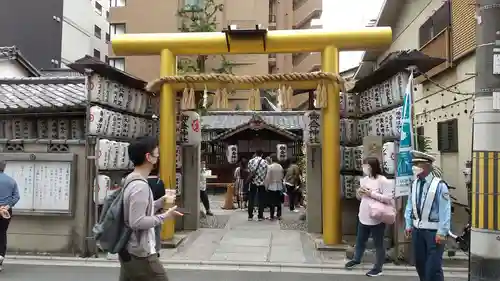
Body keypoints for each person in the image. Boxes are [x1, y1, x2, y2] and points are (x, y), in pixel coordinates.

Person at [119, 136, 183, 281]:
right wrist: (164, 217)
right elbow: (137, 221)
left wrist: (160, 203)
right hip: (141, 254)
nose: (158, 154)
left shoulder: (131, 179)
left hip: (129, 250)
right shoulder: (140, 186)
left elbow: (136, 211)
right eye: (156, 151)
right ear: (149, 157)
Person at [404, 150, 450, 281]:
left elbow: (445, 210)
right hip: (417, 230)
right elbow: (409, 206)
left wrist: (442, 231)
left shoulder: (439, 185)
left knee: (433, 268)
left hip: (433, 232)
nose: (414, 167)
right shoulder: (414, 184)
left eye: (418, 164)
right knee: (420, 265)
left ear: (427, 166)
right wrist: (408, 225)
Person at [345, 156, 394, 277]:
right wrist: (359, 193)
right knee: (360, 240)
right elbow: (360, 198)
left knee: (379, 243)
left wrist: (371, 193)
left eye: (367, 165)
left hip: (377, 217)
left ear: (373, 166)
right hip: (363, 215)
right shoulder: (364, 179)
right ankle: (356, 259)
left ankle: (378, 267)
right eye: (364, 165)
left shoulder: (382, 180)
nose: (364, 168)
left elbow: (388, 199)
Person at [0, 160, 20, 272]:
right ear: (4, 168)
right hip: (6, 211)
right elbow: (16, 197)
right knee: (2, 233)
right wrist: (6, 207)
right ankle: (1, 256)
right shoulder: (11, 181)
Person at [147, 167, 166, 256]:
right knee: (157, 231)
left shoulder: (143, 182)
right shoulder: (159, 182)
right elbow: (163, 198)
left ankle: (148, 248)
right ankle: (156, 250)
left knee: (147, 230)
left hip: (146, 210)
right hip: (157, 210)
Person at [247, 149, 268, 221]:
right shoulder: (265, 162)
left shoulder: (251, 161)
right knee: (261, 199)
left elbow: (249, 171)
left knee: (251, 199)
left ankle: (250, 216)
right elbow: (266, 173)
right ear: (262, 154)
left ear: (255, 153)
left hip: (253, 182)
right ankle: (260, 216)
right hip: (261, 183)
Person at [264, 154, 285, 220]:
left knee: (271, 201)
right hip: (279, 185)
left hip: (272, 185)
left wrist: (266, 186)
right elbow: (282, 176)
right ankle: (279, 215)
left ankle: (272, 215)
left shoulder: (270, 167)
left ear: (271, 159)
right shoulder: (280, 166)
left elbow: (268, 178)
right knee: (278, 201)